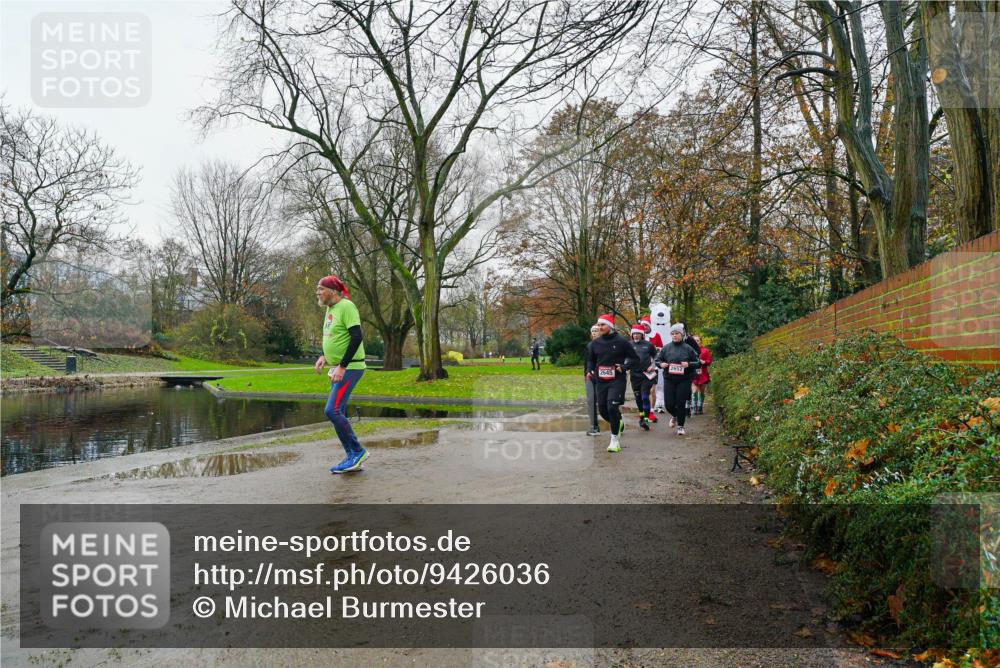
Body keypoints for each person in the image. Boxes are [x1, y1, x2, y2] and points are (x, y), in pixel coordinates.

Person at [314, 275, 368, 473]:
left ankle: (357, 451)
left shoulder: (347, 307)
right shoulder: (330, 309)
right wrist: (324, 357)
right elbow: (335, 337)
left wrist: (342, 367)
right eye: (317, 289)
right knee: (338, 412)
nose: (317, 292)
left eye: (321, 288)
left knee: (332, 411)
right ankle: (352, 458)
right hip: (338, 366)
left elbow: (356, 337)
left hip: (351, 368)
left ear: (333, 291)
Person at [585, 314, 639, 453]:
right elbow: (591, 360)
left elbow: (635, 359)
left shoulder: (622, 342)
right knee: (603, 409)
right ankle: (618, 421)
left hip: (617, 380)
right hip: (601, 381)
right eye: (598, 325)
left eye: (602, 324)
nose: (599, 327)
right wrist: (590, 371)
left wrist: (624, 367)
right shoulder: (595, 344)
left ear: (610, 326)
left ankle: (614, 440)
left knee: (611, 407)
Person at [654, 323, 701, 436]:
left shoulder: (688, 348)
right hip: (669, 379)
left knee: (680, 403)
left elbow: (698, 363)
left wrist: (688, 364)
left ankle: (680, 426)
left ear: (682, 334)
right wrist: (662, 364)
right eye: (673, 334)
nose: (675, 336)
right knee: (669, 404)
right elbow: (657, 360)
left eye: (677, 333)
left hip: (683, 380)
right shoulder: (666, 348)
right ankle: (674, 416)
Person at [628, 324, 657, 431]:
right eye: (634, 334)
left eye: (638, 334)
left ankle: (645, 418)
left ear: (642, 334)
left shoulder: (649, 345)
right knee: (638, 397)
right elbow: (623, 357)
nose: (636, 336)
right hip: (634, 374)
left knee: (645, 396)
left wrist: (652, 366)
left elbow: (657, 356)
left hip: (646, 375)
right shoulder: (629, 345)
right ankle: (642, 415)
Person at [639, 315, 661, 424]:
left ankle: (651, 412)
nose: (644, 327)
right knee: (643, 391)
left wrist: (657, 349)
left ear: (649, 325)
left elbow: (662, 349)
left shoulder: (656, 335)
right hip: (640, 368)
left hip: (652, 367)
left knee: (652, 390)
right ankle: (644, 410)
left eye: (646, 325)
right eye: (642, 325)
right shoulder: (637, 336)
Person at [584, 324, 602, 436]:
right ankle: (594, 426)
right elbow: (586, 362)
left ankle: (616, 421)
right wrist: (586, 374)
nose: (594, 333)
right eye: (593, 331)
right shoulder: (589, 345)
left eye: (596, 331)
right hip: (590, 377)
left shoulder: (606, 345)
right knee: (591, 401)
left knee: (603, 403)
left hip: (603, 377)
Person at [691, 335, 712, 415]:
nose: (696, 342)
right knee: (695, 390)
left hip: (703, 373)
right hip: (693, 373)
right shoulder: (690, 350)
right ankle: (695, 407)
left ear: (701, 341)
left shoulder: (705, 350)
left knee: (701, 391)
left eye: (698, 340)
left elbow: (709, 361)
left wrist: (704, 362)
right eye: (694, 340)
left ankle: (700, 407)